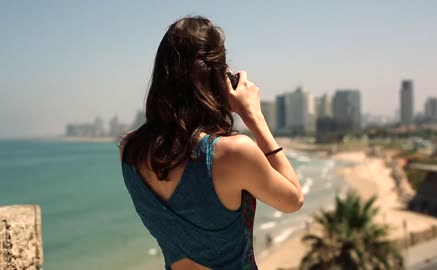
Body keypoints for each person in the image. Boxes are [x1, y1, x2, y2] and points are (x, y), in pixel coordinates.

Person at [119, 16, 303, 270]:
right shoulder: (233, 152)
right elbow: (293, 200)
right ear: (219, 78)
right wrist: (255, 117)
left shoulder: (129, 150)